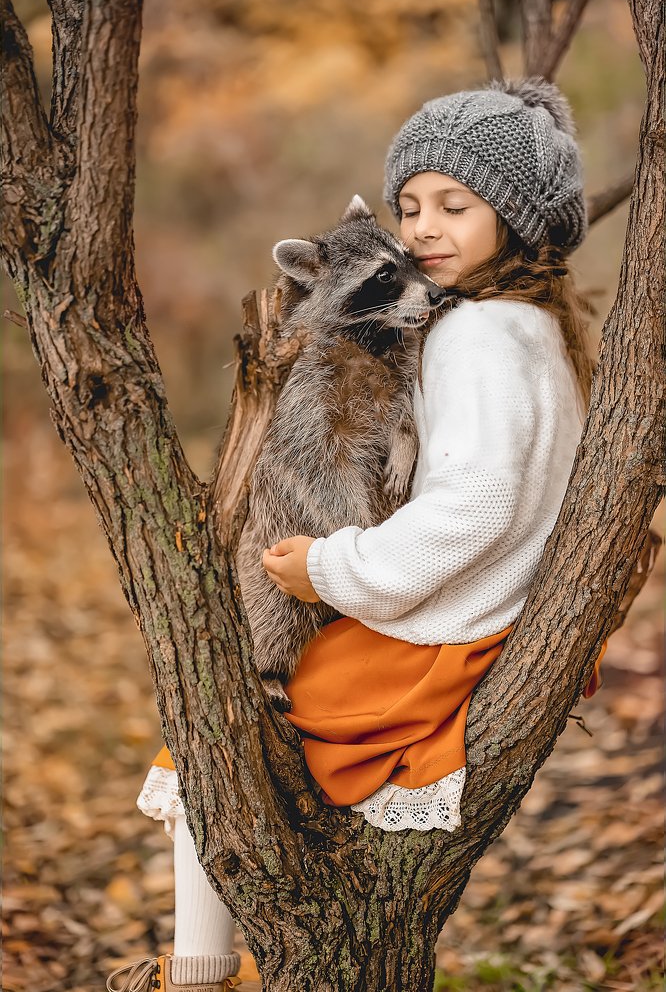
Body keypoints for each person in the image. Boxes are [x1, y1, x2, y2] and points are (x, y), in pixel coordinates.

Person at [107, 76, 607, 992]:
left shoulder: (479, 338)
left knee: (213, 751)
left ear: (521, 219)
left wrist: (330, 568)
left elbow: (475, 507)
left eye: (455, 206)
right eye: (410, 204)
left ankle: (198, 973)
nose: (422, 228)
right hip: (484, 616)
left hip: (442, 639)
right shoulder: (531, 326)